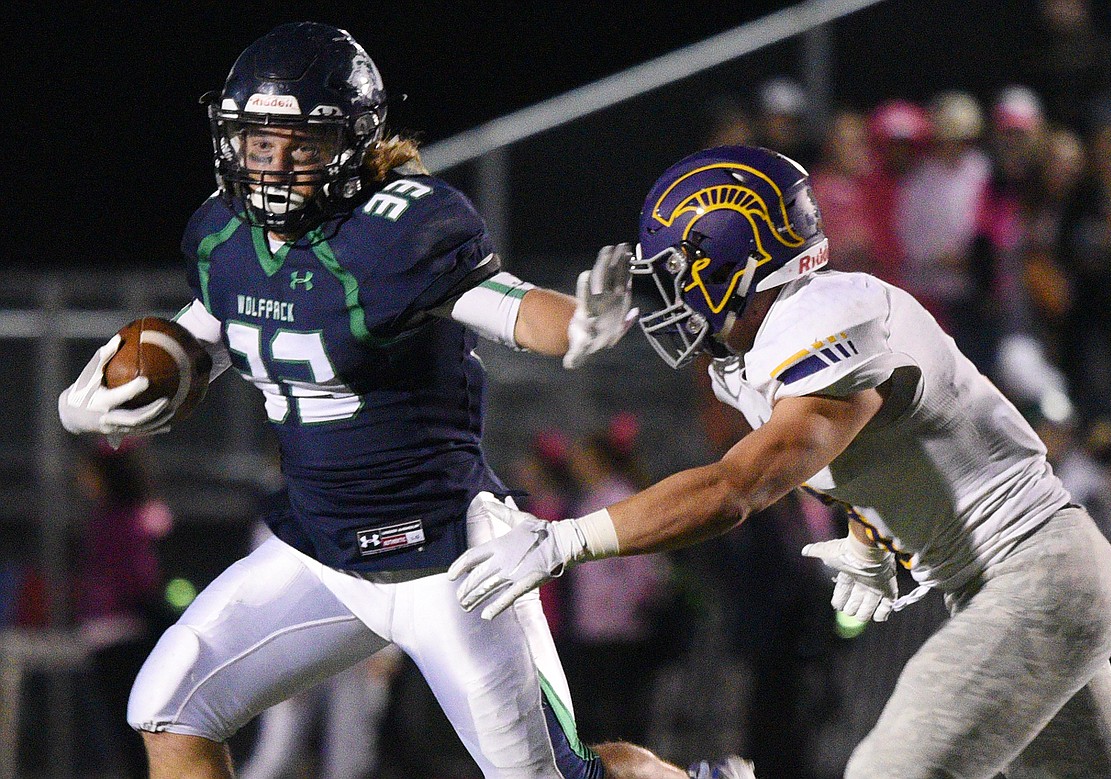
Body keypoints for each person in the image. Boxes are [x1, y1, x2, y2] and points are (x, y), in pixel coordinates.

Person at [56, 23, 753, 779]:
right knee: (168, 706)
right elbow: (210, 332)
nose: (277, 166)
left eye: (304, 145)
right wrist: (106, 393)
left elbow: (512, 309)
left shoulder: (401, 231)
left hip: (450, 559)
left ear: (353, 144)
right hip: (322, 553)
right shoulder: (224, 237)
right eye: (261, 143)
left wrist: (578, 323)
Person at [448, 145, 1111, 778]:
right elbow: (867, 443)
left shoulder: (828, 313)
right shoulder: (768, 351)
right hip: (1011, 583)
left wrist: (568, 538)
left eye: (678, 268)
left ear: (731, 259)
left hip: (1039, 573)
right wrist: (875, 537)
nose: (673, 290)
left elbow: (740, 486)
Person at [75, 440, 174, 779]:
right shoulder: (134, 519)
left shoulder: (118, 520)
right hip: (123, 631)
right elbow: (144, 580)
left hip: (119, 633)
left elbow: (137, 579)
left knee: (129, 733)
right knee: (136, 730)